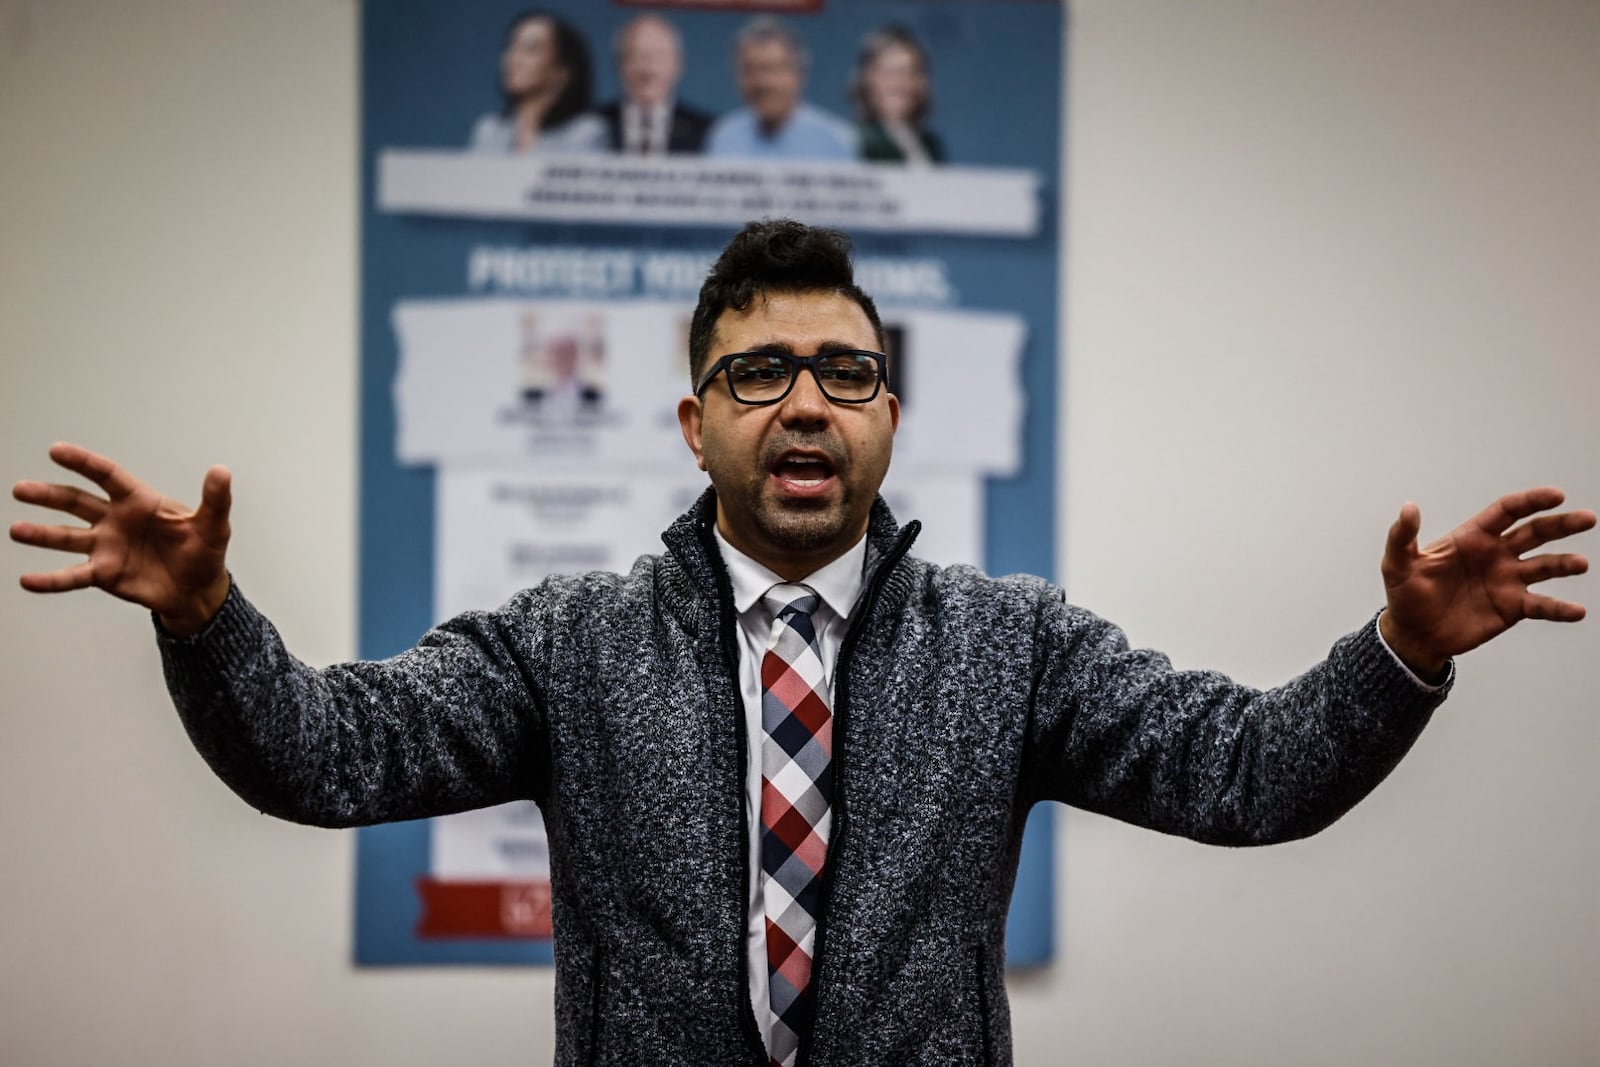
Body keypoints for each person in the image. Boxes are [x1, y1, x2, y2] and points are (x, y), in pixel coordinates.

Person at [10, 220, 1594, 1066]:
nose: (807, 401)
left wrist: (1398, 645)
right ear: (694, 421)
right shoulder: (568, 643)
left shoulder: (1011, 645)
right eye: (759, 373)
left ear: (891, 415)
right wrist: (209, 619)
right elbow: (329, 751)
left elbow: (1247, 771)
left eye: (845, 367)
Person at [706, 17, 856, 162]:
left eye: (773, 69)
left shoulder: (837, 141)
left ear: (799, 75)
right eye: (749, 70)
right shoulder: (724, 136)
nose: (763, 82)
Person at [467, 9, 606, 156]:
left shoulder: (585, 132)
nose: (513, 59)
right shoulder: (489, 131)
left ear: (562, 71)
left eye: (530, 49)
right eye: (512, 46)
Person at [595, 14, 712, 156]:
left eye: (658, 56)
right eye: (636, 55)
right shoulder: (592, 126)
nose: (647, 68)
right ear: (619, 65)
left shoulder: (707, 132)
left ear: (677, 65)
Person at [850, 25, 945, 165]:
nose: (898, 84)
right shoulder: (856, 142)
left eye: (908, 73)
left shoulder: (931, 144)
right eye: (888, 73)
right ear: (867, 80)